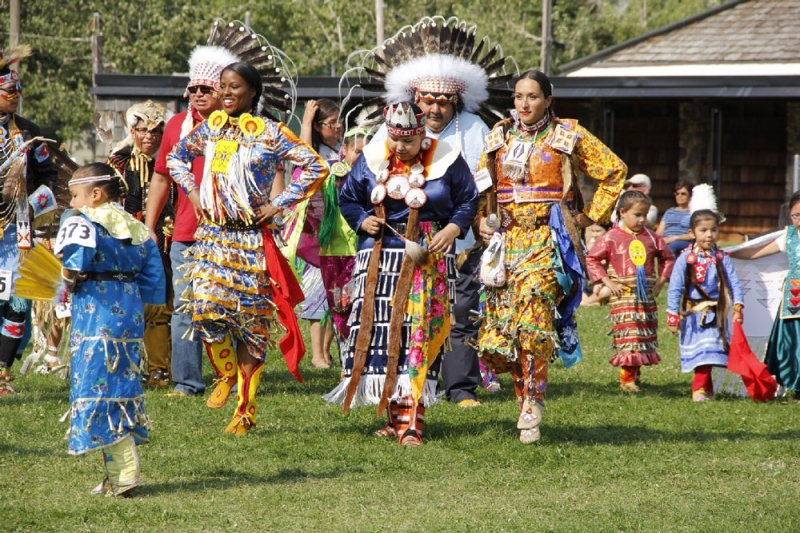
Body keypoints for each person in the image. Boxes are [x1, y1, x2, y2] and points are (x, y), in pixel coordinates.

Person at [167, 61, 329, 435]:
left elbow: (314, 166)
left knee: (251, 327)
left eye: (234, 87)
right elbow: (176, 157)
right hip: (213, 237)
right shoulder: (210, 128)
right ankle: (225, 373)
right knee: (205, 311)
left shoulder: (271, 133)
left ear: (253, 92)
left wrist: (278, 202)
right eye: (222, 86)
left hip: (252, 240)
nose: (225, 93)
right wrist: (192, 191)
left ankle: (246, 408)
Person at [366, 19, 515, 407]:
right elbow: (371, 177)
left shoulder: (474, 128)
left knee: (460, 309)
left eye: (441, 101)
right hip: (403, 239)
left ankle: (460, 387)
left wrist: (484, 218)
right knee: (403, 310)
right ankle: (402, 381)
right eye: (427, 100)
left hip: (461, 238)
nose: (433, 107)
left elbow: (487, 182)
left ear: (455, 101)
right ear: (416, 100)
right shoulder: (393, 130)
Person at [477, 70, 626, 443]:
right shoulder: (498, 136)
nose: (523, 104)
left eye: (532, 97)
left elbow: (613, 171)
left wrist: (589, 215)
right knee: (503, 330)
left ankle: (532, 402)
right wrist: (481, 219)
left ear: (548, 100)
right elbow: (482, 184)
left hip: (548, 238)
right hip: (507, 241)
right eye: (518, 97)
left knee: (533, 310)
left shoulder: (567, 135)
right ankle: (523, 398)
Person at [324, 101, 478, 446]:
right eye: (395, 139)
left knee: (417, 332)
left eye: (408, 141)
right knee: (381, 334)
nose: (400, 147)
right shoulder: (372, 157)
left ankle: (413, 424)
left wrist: (453, 228)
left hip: (426, 253)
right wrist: (362, 219)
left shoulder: (447, 158)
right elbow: (348, 197)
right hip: (379, 254)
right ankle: (395, 419)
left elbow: (469, 199)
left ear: (422, 134)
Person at [58, 163, 165, 496]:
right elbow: (153, 280)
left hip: (96, 312)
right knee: (120, 384)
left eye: (75, 195)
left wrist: (66, 282)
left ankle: (124, 473)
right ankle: (116, 473)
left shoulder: (84, 223)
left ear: (95, 194)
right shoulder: (136, 226)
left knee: (96, 387)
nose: (72, 202)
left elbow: (74, 266)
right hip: (129, 312)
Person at [145, 43, 237, 398]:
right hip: (186, 232)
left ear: (221, 92)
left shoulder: (236, 127)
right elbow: (161, 178)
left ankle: (229, 375)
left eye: (206, 89)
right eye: (193, 89)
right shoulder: (176, 127)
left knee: (225, 306)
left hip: (229, 232)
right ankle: (187, 382)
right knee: (185, 306)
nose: (198, 94)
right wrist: (150, 227)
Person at [0, 44, 58, 395]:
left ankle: (2, 372)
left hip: (18, 226)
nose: (16, 96)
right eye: (10, 90)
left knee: (18, 298)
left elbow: (50, 176)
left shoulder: (30, 132)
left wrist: (32, 205)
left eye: (19, 90)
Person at [109, 100, 172, 387]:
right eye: (143, 130)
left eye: (156, 132)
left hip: (163, 239)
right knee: (125, 305)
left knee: (160, 306)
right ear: (132, 130)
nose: (149, 136)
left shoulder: (171, 160)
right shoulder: (118, 162)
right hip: (125, 240)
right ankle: (125, 366)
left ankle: (159, 369)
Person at [586, 191, 675, 392]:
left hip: (645, 295)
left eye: (645, 214)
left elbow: (668, 258)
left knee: (642, 334)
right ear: (623, 212)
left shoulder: (652, 238)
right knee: (630, 335)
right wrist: (607, 282)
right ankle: (627, 379)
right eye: (637, 214)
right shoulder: (611, 237)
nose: (642, 219)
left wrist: (661, 281)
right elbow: (592, 258)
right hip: (622, 295)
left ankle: (635, 374)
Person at [666, 209, 744, 401]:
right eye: (703, 230)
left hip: (716, 314)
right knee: (701, 354)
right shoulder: (685, 258)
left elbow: (734, 283)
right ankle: (703, 390)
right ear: (692, 233)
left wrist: (737, 307)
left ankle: (700, 390)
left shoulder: (722, 257)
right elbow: (675, 287)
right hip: (694, 315)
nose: (709, 235)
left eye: (713, 230)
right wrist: (672, 314)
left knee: (709, 355)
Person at [730, 190, 800, 401]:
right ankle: (797, 385)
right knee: (793, 343)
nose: (799, 219)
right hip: (794, 297)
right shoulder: (789, 236)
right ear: (790, 214)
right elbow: (755, 253)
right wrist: (728, 254)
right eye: (796, 215)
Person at [294, 98, 342, 368]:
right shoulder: (312, 153)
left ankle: (326, 351)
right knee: (316, 295)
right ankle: (317, 354)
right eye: (330, 122)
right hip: (314, 233)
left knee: (337, 294)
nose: (337, 127)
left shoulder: (342, 151)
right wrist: (307, 121)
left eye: (339, 121)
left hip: (341, 231)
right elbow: (303, 153)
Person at [318, 127, 372, 356]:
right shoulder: (330, 176)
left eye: (367, 152)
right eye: (357, 151)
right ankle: (346, 358)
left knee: (357, 304)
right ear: (344, 150)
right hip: (331, 251)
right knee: (338, 306)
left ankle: (359, 355)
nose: (361, 156)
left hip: (361, 250)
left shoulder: (375, 177)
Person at [656, 181, 694, 256]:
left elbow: (694, 234)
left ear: (690, 195)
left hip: (685, 242)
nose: (679, 196)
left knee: (673, 246)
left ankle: (671, 267)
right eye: (677, 193)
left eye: (683, 194)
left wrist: (674, 238)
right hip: (667, 241)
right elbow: (659, 232)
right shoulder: (669, 211)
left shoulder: (693, 212)